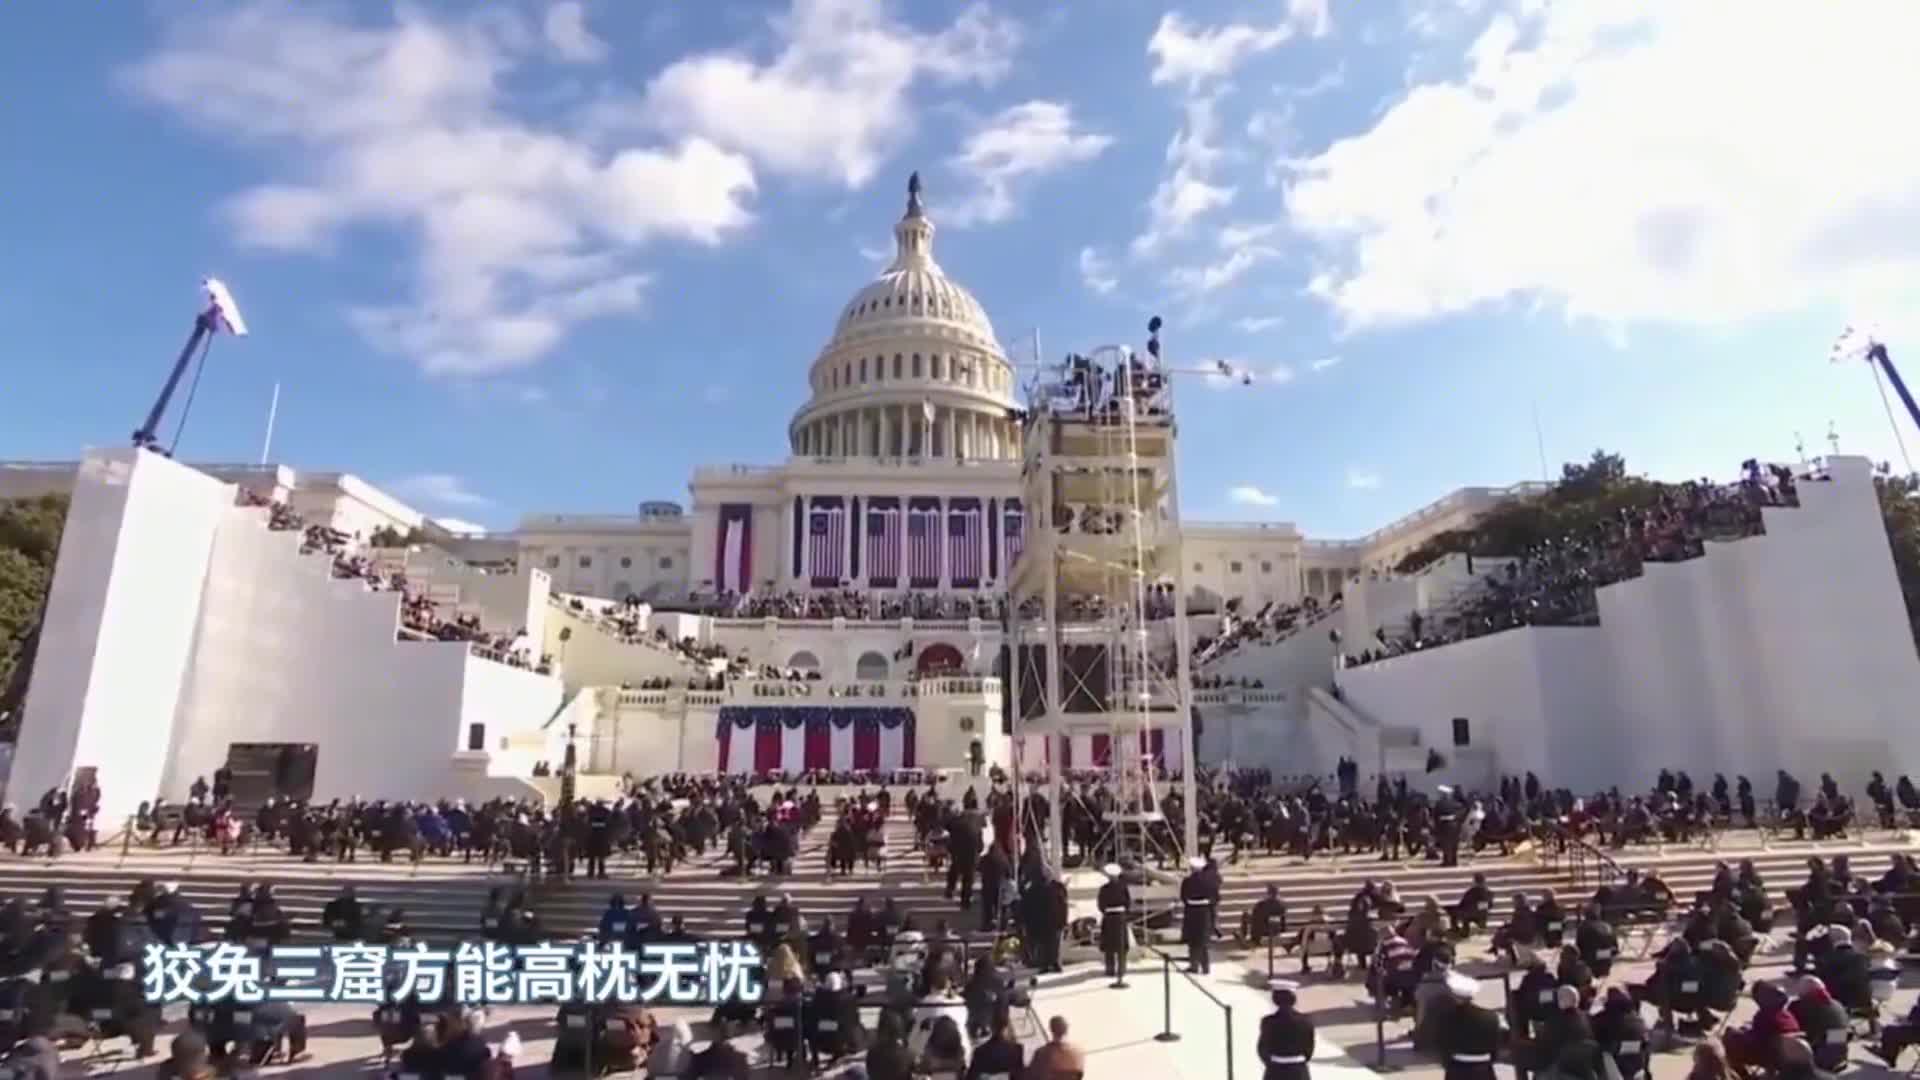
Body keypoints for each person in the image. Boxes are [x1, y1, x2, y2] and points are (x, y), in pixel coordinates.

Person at [1436, 972, 1502, 1080]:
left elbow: (1442, 1045)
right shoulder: (1491, 1017)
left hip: (1457, 1069)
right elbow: (1495, 1047)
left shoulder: (1447, 1018)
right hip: (1484, 1068)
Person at [1258, 980, 1315, 1080]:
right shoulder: (1306, 1021)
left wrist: (1272, 1062)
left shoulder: (1268, 1022)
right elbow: (1309, 1049)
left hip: (1275, 1071)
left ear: (1275, 999)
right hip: (1299, 1071)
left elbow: (1262, 1049)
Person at [1181, 856, 1217, 975]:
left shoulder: (1187, 881)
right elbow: (1215, 897)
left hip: (1191, 911)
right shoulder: (1209, 880)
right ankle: (1205, 967)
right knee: (1203, 939)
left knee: (1193, 940)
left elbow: (1184, 897)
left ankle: (1194, 965)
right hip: (1205, 911)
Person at [1097, 862, 1132, 987]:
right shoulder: (1123, 887)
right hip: (1121, 917)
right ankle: (1121, 968)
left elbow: (1100, 905)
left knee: (1109, 944)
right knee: (1121, 945)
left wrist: (1106, 912)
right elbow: (1128, 903)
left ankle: (1110, 969)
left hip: (1109, 917)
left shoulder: (1104, 889)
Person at [1028, 1016, 1087, 1080]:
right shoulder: (1078, 1051)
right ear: (1067, 1028)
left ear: (1050, 1029)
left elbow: (1032, 1075)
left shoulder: (1042, 1053)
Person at [968, 1014, 1026, 1079]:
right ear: (1006, 1028)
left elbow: (971, 1077)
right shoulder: (1017, 1049)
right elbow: (1020, 1075)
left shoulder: (979, 1051)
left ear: (990, 1028)